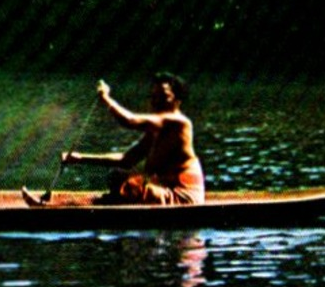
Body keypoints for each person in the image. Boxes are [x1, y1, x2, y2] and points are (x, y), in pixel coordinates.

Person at [31, 75, 205, 206]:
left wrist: (106, 98)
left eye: (163, 97)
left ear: (177, 101)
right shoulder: (156, 131)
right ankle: (61, 206)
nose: (156, 102)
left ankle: (57, 207)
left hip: (183, 198)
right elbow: (126, 160)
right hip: (165, 192)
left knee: (130, 185)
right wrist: (80, 158)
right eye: (153, 97)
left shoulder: (179, 123)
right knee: (117, 177)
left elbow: (129, 120)